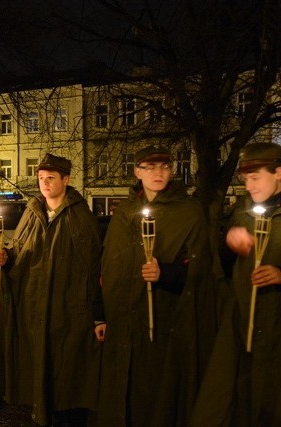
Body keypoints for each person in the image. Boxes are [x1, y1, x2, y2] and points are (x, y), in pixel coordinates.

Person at [96, 145, 215, 427]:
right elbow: (108, 265)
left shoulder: (188, 210)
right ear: (138, 172)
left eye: (164, 167)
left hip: (165, 316)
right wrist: (101, 313)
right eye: (150, 168)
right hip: (124, 318)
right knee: (122, 388)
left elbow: (200, 265)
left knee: (155, 392)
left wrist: (167, 273)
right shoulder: (124, 211)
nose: (158, 173)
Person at [0, 153, 102, 427]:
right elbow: (19, 251)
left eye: (51, 178)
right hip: (33, 307)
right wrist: (4, 257)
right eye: (41, 178)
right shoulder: (32, 210)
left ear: (66, 179)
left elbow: (93, 267)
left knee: (66, 382)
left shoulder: (80, 215)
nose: (45, 183)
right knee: (37, 376)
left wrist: (95, 312)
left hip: (66, 311)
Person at [191, 142, 281, 426]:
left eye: (255, 178)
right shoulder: (244, 209)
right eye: (245, 180)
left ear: (278, 172)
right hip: (242, 322)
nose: (249, 186)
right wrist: (230, 244)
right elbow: (225, 265)